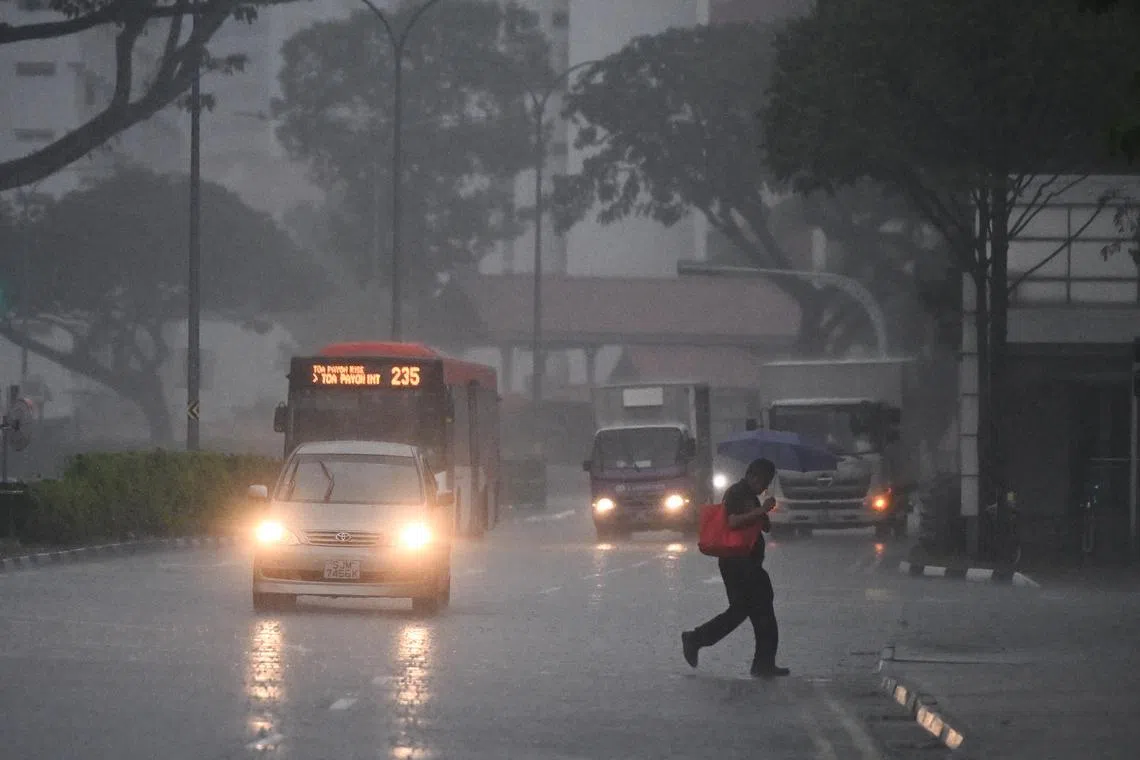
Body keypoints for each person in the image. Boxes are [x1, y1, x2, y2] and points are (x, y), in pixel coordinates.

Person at [681, 457, 789, 678]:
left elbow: (761, 526)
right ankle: (761, 662)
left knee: (749, 611)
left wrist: (765, 513)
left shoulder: (752, 496)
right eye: (763, 482)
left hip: (748, 562)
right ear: (751, 476)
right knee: (756, 612)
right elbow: (733, 522)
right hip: (738, 563)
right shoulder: (737, 492)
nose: (764, 487)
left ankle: (698, 639)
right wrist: (760, 512)